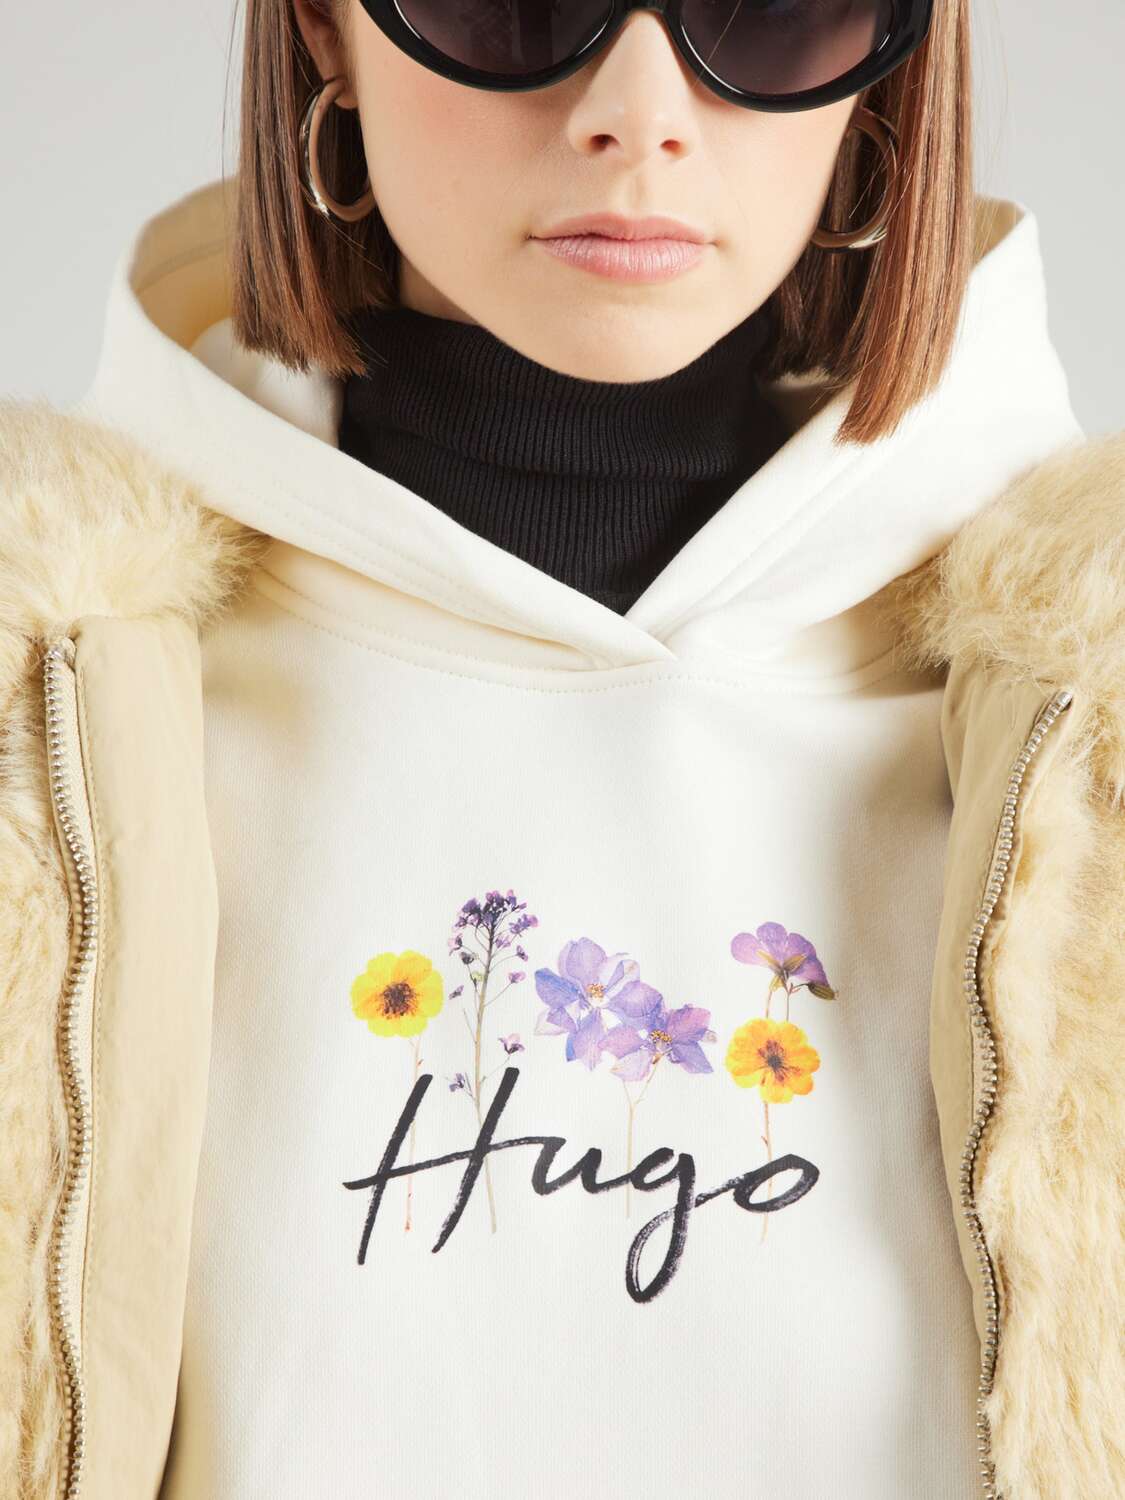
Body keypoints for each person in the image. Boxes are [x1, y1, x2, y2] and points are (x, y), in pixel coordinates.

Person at [0, 1, 1122, 1498]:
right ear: (326, 31)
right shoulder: (48, 712)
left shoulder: (1086, 727)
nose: (638, 112)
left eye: (768, 7)